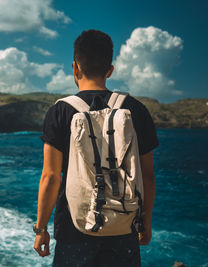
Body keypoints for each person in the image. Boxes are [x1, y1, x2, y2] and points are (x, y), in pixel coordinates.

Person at [33, 29, 158, 266]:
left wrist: (41, 229)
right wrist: (146, 222)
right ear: (110, 70)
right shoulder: (136, 110)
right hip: (123, 228)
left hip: (74, 231)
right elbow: (148, 177)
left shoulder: (59, 112)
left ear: (75, 68)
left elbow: (50, 177)